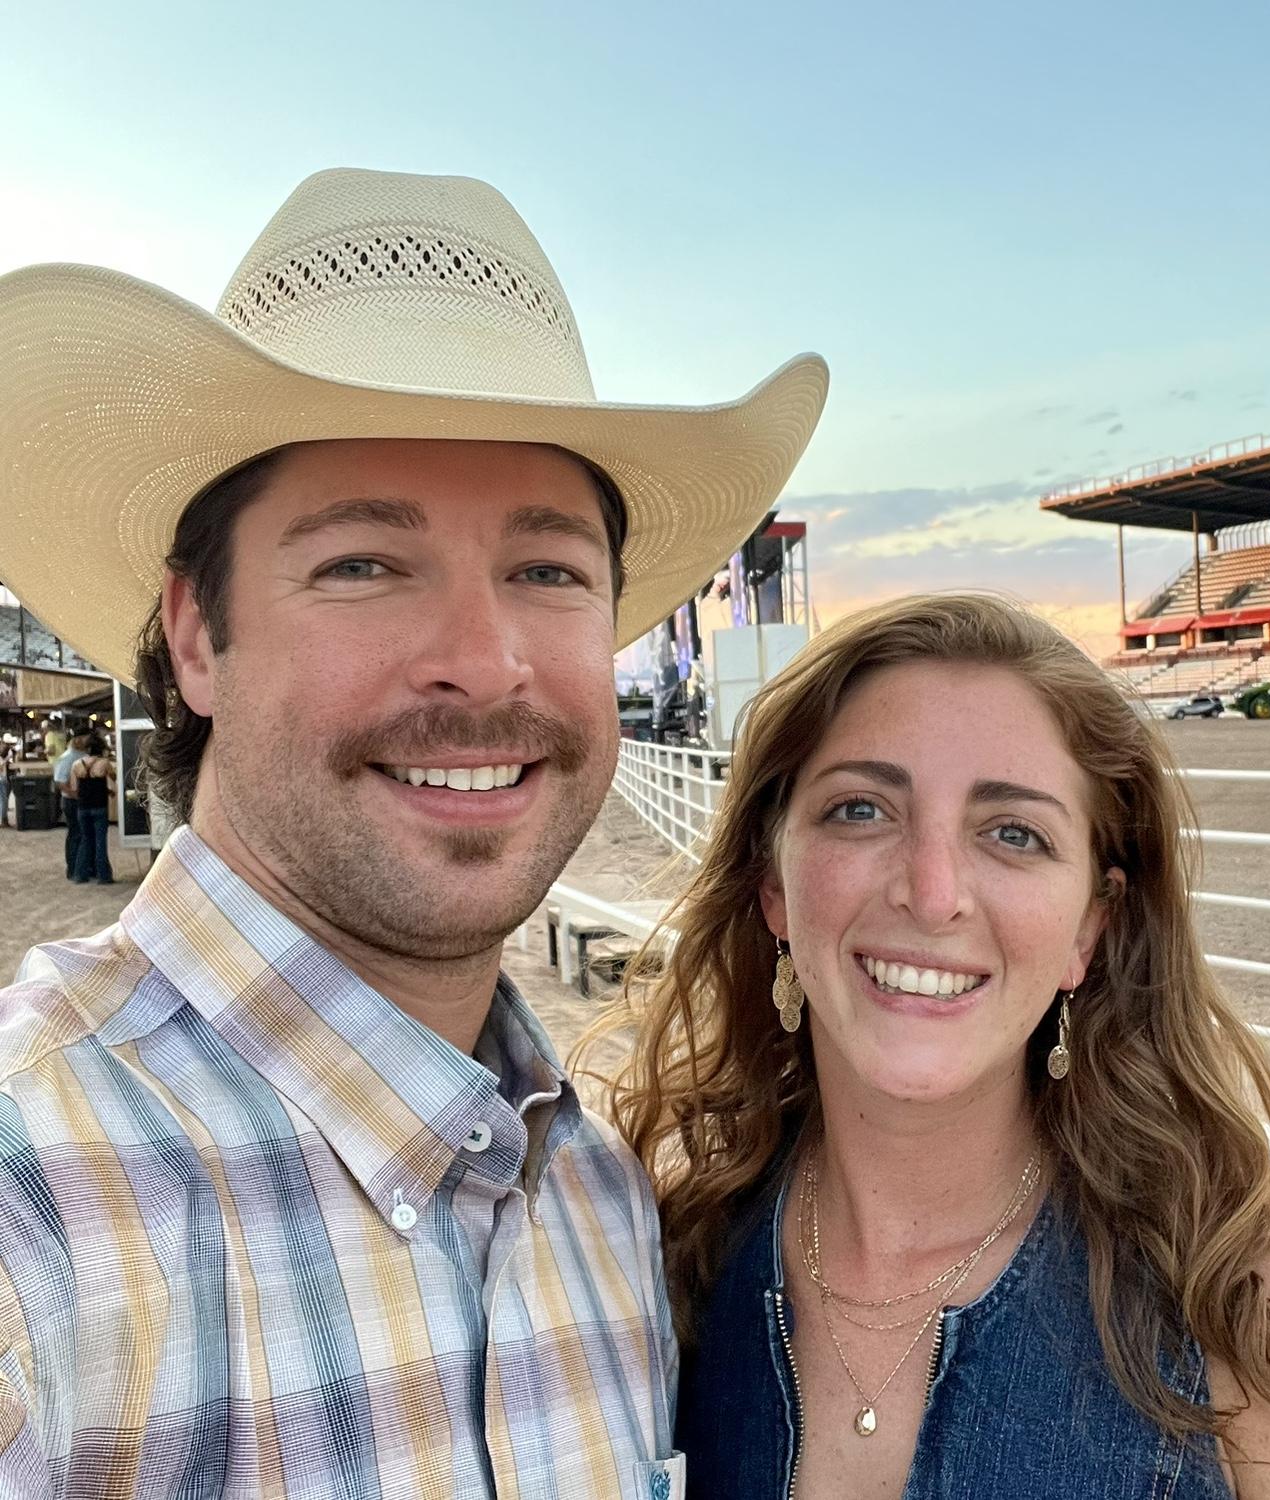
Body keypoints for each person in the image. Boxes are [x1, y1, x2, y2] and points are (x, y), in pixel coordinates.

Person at [0, 167, 826, 1497]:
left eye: (547, 570)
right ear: (197, 636)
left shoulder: (598, 1198)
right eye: (363, 565)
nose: (484, 661)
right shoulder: (34, 1207)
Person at [605, 593, 1270, 1500]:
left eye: (1014, 834)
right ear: (773, 881)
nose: (933, 895)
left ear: (1091, 925)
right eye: (860, 810)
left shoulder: (1254, 1282)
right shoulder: (668, 1256)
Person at [65, 731, 115, 883]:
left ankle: (80, 874)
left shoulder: (76, 765)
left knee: (85, 840)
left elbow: (75, 787)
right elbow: (114, 777)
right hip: (100, 806)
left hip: (83, 807)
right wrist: (107, 789)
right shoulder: (104, 763)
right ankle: (103, 876)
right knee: (100, 841)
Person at [52, 729, 89, 871]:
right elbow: (60, 782)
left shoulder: (84, 755)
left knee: (83, 834)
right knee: (75, 833)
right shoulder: (67, 758)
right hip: (72, 802)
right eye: (85, 739)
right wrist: (75, 795)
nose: (87, 742)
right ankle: (73, 867)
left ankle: (82, 866)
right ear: (77, 739)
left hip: (82, 800)